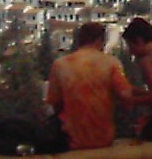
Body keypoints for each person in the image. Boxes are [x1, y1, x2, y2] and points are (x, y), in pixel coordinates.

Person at [45, 22, 133, 150]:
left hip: (70, 139)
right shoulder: (111, 63)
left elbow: (55, 103)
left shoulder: (60, 65)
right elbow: (126, 97)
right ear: (100, 40)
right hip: (103, 138)